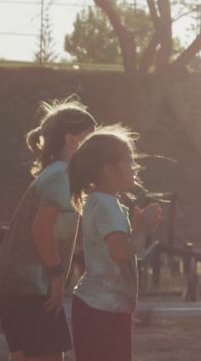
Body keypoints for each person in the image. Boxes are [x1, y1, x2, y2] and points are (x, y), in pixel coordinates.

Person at [0, 97, 97, 361]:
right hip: (33, 286)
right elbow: (42, 228)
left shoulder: (51, 173)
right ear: (72, 140)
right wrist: (57, 276)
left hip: (11, 284)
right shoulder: (63, 175)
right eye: (89, 141)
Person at [68, 126, 162, 361]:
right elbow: (121, 252)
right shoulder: (104, 204)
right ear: (108, 170)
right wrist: (142, 229)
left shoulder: (105, 203)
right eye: (129, 161)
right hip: (101, 310)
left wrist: (137, 228)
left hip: (104, 307)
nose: (135, 167)